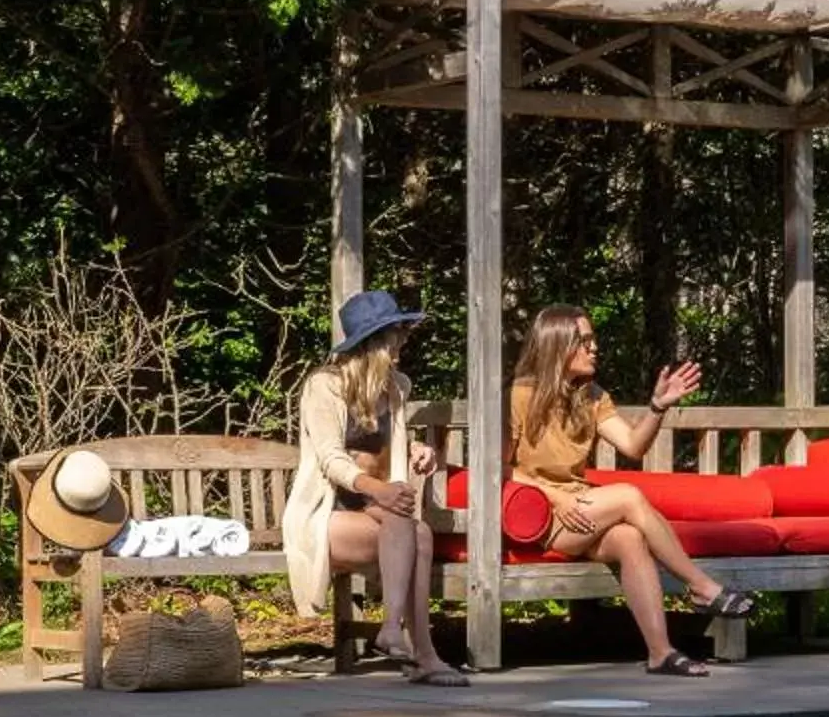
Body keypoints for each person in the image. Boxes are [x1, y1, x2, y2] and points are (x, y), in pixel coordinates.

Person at [506, 303, 756, 676]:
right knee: (628, 495)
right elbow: (498, 470)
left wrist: (657, 407)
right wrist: (556, 497)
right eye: (585, 341)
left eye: (593, 341)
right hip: (541, 514)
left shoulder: (591, 396)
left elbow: (632, 446)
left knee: (628, 538)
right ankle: (701, 586)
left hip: (581, 512)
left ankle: (660, 652)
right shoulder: (518, 395)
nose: (594, 349)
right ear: (558, 345)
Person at [285, 289, 465, 685]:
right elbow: (332, 458)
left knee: (414, 528)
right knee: (412, 530)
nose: (403, 339)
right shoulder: (324, 386)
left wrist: (417, 450)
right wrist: (379, 489)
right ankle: (420, 652)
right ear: (375, 341)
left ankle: (395, 633)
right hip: (327, 514)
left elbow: (383, 448)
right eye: (397, 332)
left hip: (375, 513)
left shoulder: (396, 387)